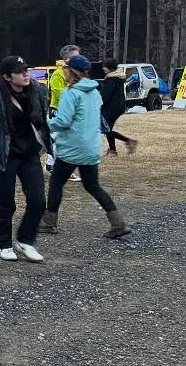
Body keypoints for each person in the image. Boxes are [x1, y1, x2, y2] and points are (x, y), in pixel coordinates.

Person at [0, 55, 51, 263]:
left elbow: (42, 121)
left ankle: (25, 241)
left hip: (30, 154)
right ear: (6, 76)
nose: (26, 75)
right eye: (20, 72)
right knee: (6, 203)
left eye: (27, 70)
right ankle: (3, 245)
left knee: (38, 201)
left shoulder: (37, 92)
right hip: (5, 157)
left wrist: (47, 144)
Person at [42, 55, 133, 239]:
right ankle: (118, 223)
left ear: (72, 72)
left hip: (71, 148)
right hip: (90, 147)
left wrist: (46, 123)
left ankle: (49, 223)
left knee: (56, 183)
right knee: (93, 186)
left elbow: (63, 121)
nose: (64, 72)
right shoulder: (94, 92)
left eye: (66, 69)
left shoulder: (71, 93)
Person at [96, 59, 138, 156]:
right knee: (108, 129)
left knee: (105, 129)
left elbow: (105, 96)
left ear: (110, 68)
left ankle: (129, 141)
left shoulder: (111, 79)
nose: (103, 68)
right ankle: (113, 151)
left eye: (105, 66)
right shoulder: (119, 78)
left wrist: (97, 93)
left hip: (111, 109)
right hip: (118, 107)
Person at [48, 44, 81, 115]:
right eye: (76, 57)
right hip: (59, 111)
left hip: (72, 110)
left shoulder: (77, 72)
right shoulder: (58, 74)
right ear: (67, 59)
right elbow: (59, 95)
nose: (79, 59)